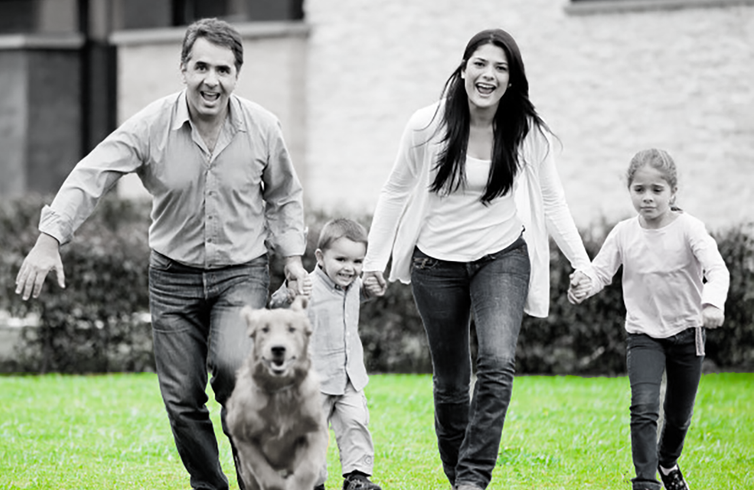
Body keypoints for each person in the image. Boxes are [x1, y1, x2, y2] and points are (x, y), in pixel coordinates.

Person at [13, 18, 309, 490]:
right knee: (181, 398)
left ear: (236, 76)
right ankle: (209, 485)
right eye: (201, 67)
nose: (211, 80)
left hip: (241, 273)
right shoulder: (152, 125)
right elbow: (95, 172)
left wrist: (293, 259)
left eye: (223, 70)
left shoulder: (262, 128)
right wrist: (50, 238)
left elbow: (284, 196)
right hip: (173, 279)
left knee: (236, 376)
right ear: (184, 69)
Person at [361, 29, 591, 490]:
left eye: (501, 68)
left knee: (498, 360)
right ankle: (457, 475)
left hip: (502, 256)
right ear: (463, 68)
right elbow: (395, 190)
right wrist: (374, 261)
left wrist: (582, 263)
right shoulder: (427, 126)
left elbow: (550, 200)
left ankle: (472, 480)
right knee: (450, 383)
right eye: (480, 64)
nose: (488, 75)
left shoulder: (526, 132)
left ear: (512, 80)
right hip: (435, 265)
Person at [568, 149, 728, 490]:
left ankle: (667, 463)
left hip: (688, 332)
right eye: (639, 189)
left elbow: (717, 270)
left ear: (673, 192)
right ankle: (645, 482)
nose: (648, 198)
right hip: (643, 335)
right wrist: (584, 284)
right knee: (643, 406)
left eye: (657, 190)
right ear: (630, 190)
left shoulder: (689, 228)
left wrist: (712, 304)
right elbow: (600, 272)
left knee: (678, 418)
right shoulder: (624, 233)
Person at [270, 218, 384, 490]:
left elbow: (357, 295)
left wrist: (371, 288)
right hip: (313, 381)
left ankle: (357, 478)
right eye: (341, 259)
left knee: (356, 423)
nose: (350, 268)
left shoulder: (353, 285)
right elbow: (277, 306)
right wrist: (287, 291)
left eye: (357, 262)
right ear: (320, 257)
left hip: (349, 377)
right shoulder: (307, 286)